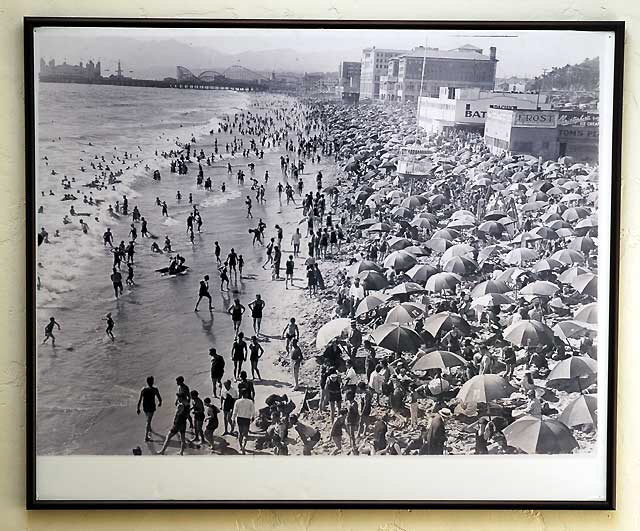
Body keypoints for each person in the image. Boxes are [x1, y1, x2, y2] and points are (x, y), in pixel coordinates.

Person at [136, 376, 162, 442]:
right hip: (151, 407)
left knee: (148, 418)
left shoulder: (143, 389)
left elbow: (140, 400)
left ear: (147, 382)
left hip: (145, 407)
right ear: (153, 382)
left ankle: (149, 429)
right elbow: (159, 398)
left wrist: (138, 408)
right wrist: (160, 403)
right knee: (148, 421)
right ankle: (146, 437)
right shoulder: (155, 389)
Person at [232, 390, 255, 454]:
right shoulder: (250, 402)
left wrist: (233, 419)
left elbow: (235, 411)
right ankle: (243, 447)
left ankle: (240, 446)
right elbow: (253, 411)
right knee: (245, 434)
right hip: (246, 419)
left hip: (239, 419)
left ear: (241, 394)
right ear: (247, 394)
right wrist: (253, 417)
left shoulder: (237, 401)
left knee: (240, 433)